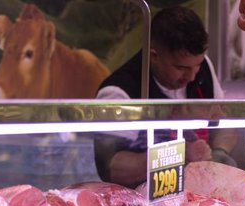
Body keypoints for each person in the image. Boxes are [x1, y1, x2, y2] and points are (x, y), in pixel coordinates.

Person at [94, 6, 236, 188]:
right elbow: (112, 168)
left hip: (194, 197)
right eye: (181, 68)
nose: (192, 77)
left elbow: (227, 123)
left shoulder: (203, 68)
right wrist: (177, 155)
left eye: (197, 65)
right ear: (154, 56)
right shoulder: (119, 92)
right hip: (141, 203)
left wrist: (219, 152)